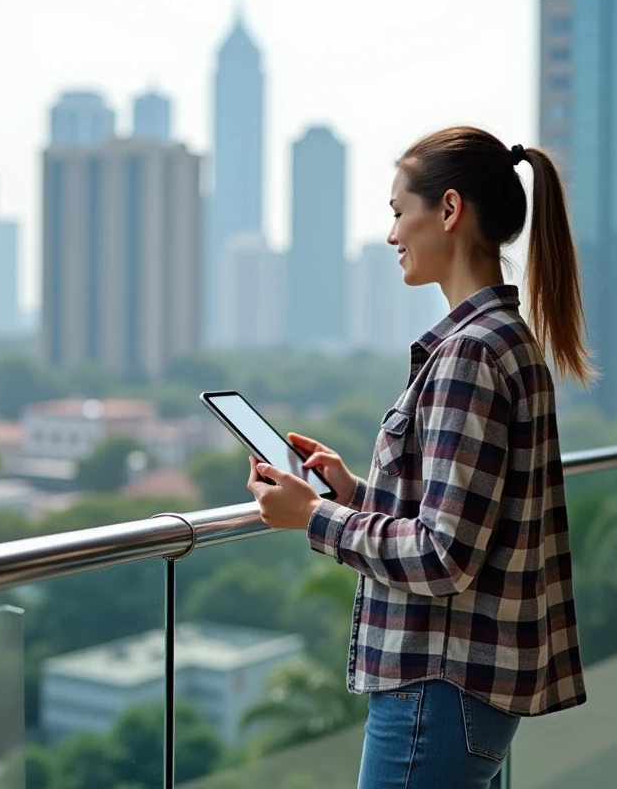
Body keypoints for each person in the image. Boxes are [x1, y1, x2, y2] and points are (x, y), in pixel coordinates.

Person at [246, 125, 592, 789]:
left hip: (436, 688)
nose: (391, 234)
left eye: (399, 211)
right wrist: (353, 492)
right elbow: (467, 520)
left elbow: (445, 555)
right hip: (467, 693)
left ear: (450, 211)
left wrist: (314, 518)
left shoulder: (467, 355)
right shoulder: (508, 341)